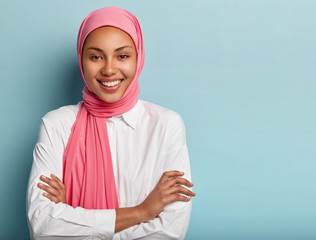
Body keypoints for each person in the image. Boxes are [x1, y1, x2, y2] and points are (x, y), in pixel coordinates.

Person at [27, 6, 195, 240]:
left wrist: (73, 220)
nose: (108, 69)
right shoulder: (56, 125)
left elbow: (170, 231)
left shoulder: (166, 125)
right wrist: (142, 211)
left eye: (122, 56)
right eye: (96, 56)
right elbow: (43, 227)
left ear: (138, 57)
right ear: (81, 59)